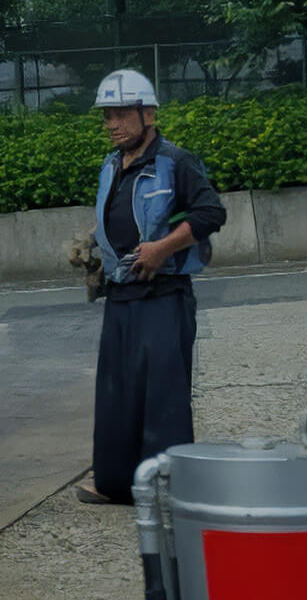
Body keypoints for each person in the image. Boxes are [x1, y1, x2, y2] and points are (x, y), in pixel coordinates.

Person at [77, 69, 225, 504]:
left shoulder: (175, 162)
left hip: (164, 296)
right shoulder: (112, 165)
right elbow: (117, 217)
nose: (112, 124)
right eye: (107, 116)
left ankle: (167, 488)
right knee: (116, 393)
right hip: (121, 297)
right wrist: (95, 248)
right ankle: (117, 484)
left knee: (162, 396)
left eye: (122, 114)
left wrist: (162, 249)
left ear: (149, 113)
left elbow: (210, 213)